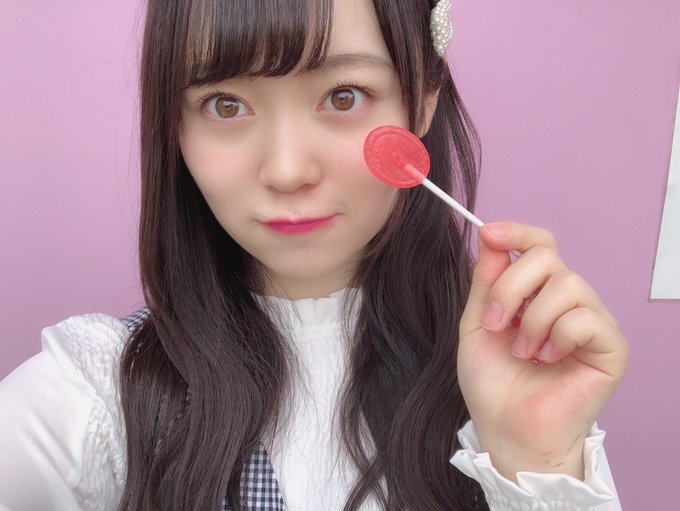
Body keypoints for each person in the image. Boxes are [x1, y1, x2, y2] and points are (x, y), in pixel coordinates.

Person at [0, 0, 629, 510]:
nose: (286, 170)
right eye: (225, 104)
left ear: (423, 99)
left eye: (344, 96)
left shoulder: (504, 379)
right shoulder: (94, 398)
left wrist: (535, 464)